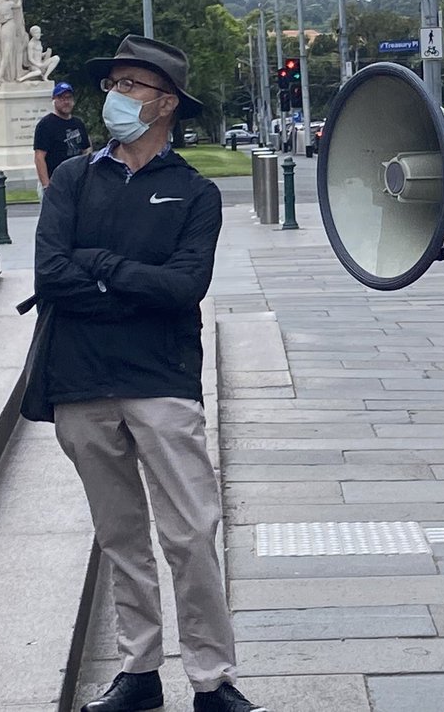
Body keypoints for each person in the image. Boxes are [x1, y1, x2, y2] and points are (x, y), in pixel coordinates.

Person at [33, 35, 267, 712]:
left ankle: (212, 680)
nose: (116, 98)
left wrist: (99, 267)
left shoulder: (193, 192)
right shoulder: (74, 178)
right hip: (80, 382)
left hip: (162, 381)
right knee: (119, 536)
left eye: (131, 86)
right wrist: (129, 284)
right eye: (114, 85)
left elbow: (183, 287)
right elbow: (50, 275)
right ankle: (137, 672)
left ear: (165, 103)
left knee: (190, 534)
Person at [33, 82, 91, 198]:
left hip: (76, 182)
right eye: (61, 98)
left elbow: (87, 149)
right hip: (55, 183)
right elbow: (39, 157)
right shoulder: (45, 125)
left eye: (68, 97)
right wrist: (46, 186)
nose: (66, 101)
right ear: (54, 100)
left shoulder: (78, 123)